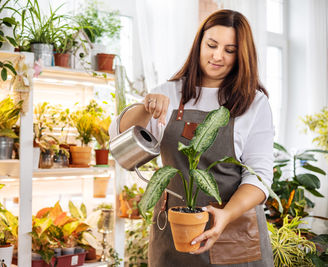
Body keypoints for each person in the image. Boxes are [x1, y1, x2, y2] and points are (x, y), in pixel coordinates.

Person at [110, 9, 274, 267]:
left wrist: (226, 215)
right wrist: (145, 107)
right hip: (175, 234)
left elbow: (260, 175)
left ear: (242, 56)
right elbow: (118, 137)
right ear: (199, 44)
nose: (218, 56)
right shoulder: (169, 93)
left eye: (230, 50)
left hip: (234, 232)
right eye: (211, 45)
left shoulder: (254, 103)